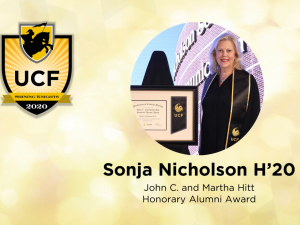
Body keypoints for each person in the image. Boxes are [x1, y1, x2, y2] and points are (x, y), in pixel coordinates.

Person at [199, 33, 260, 155]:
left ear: (235, 54)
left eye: (228, 50)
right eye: (220, 50)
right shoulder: (210, 81)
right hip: (208, 148)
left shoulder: (246, 81)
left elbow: (252, 119)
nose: (224, 54)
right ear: (215, 54)